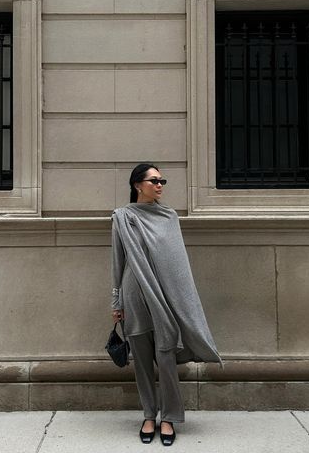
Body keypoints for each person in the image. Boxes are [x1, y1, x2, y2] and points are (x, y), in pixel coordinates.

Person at [111, 163, 222, 446]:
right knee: (142, 360)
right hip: (134, 294)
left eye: (162, 180)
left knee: (166, 357)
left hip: (164, 296)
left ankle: (170, 416)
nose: (160, 185)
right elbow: (118, 262)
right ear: (138, 185)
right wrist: (117, 300)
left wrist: (180, 301)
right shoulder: (122, 217)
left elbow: (178, 265)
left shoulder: (169, 217)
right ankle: (149, 415)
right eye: (154, 180)